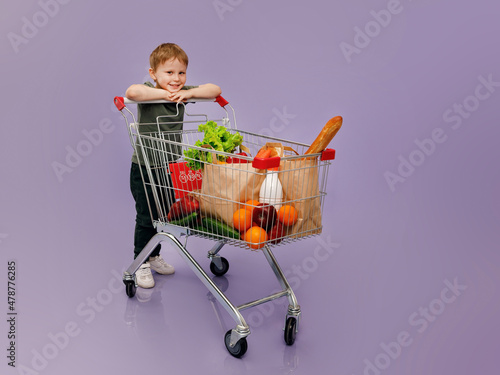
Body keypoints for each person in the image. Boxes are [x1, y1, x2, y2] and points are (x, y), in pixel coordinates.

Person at [125, 43, 221, 289]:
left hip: (168, 166)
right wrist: (165, 94)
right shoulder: (149, 91)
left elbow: (214, 90)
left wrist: (188, 94)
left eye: (181, 73)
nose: (176, 79)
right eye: (169, 73)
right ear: (153, 74)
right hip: (145, 167)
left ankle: (154, 255)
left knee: (162, 215)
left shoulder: (183, 93)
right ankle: (141, 262)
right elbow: (133, 93)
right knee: (146, 218)